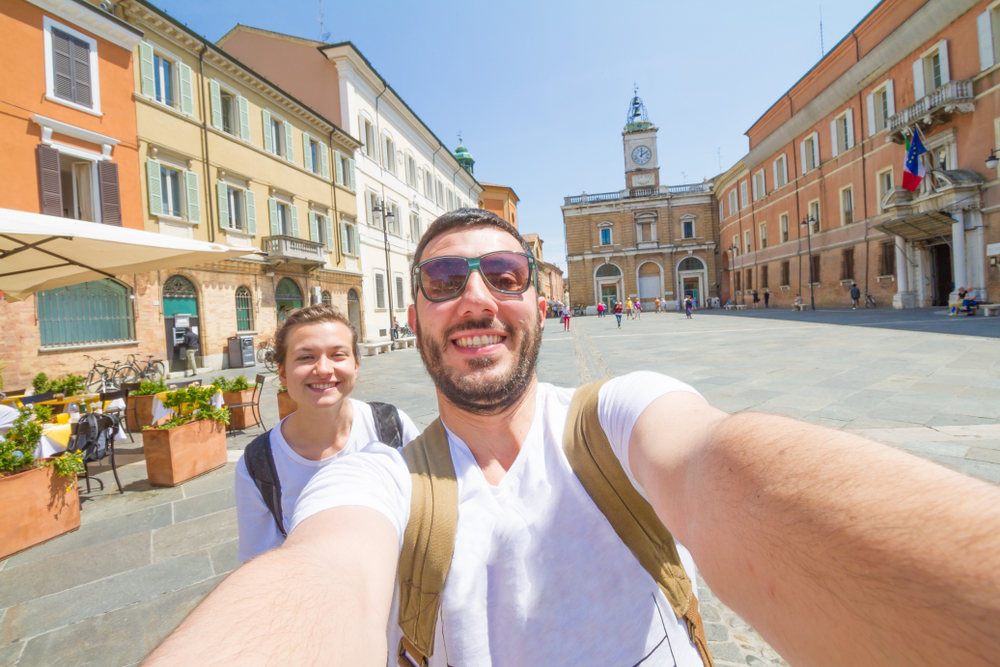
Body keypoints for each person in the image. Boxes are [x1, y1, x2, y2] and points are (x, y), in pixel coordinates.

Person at [147, 209, 1000, 667]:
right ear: (413, 318)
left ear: (541, 302)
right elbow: (320, 571)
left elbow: (723, 466)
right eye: (445, 280)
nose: (477, 296)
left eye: (505, 274)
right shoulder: (377, 481)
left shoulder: (621, 415)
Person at [235, 305, 420, 563]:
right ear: (282, 373)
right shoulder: (258, 465)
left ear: (355, 365)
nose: (323, 369)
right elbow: (259, 565)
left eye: (337, 355)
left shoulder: (393, 427)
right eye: (305, 357)